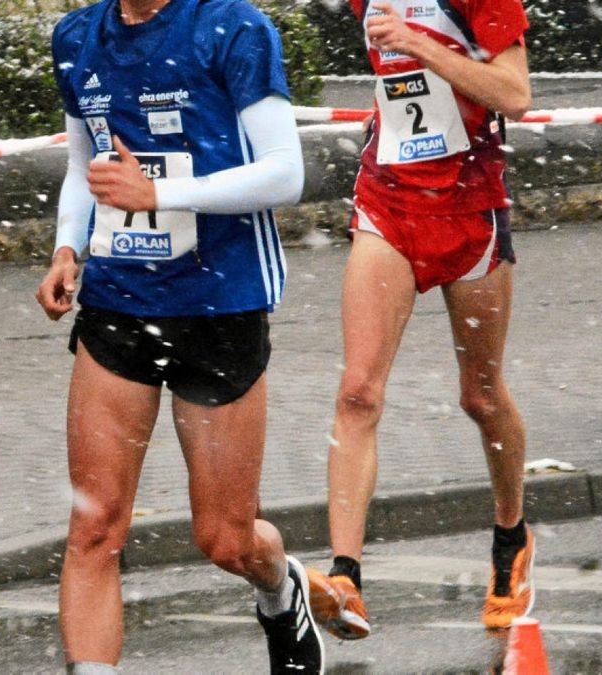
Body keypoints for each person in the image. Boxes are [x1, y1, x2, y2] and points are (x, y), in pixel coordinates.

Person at [37, 0, 324, 671]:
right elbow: (86, 164)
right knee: (95, 526)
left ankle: (282, 590)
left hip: (219, 306)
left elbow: (286, 172)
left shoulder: (233, 27)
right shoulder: (77, 37)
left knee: (224, 539)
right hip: (117, 305)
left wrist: (163, 195)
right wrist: (66, 249)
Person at [311, 0, 534, 640]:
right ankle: (346, 576)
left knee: (482, 397)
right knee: (358, 392)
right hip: (389, 201)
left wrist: (420, 45)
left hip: (469, 211)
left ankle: (510, 538)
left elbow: (515, 94)